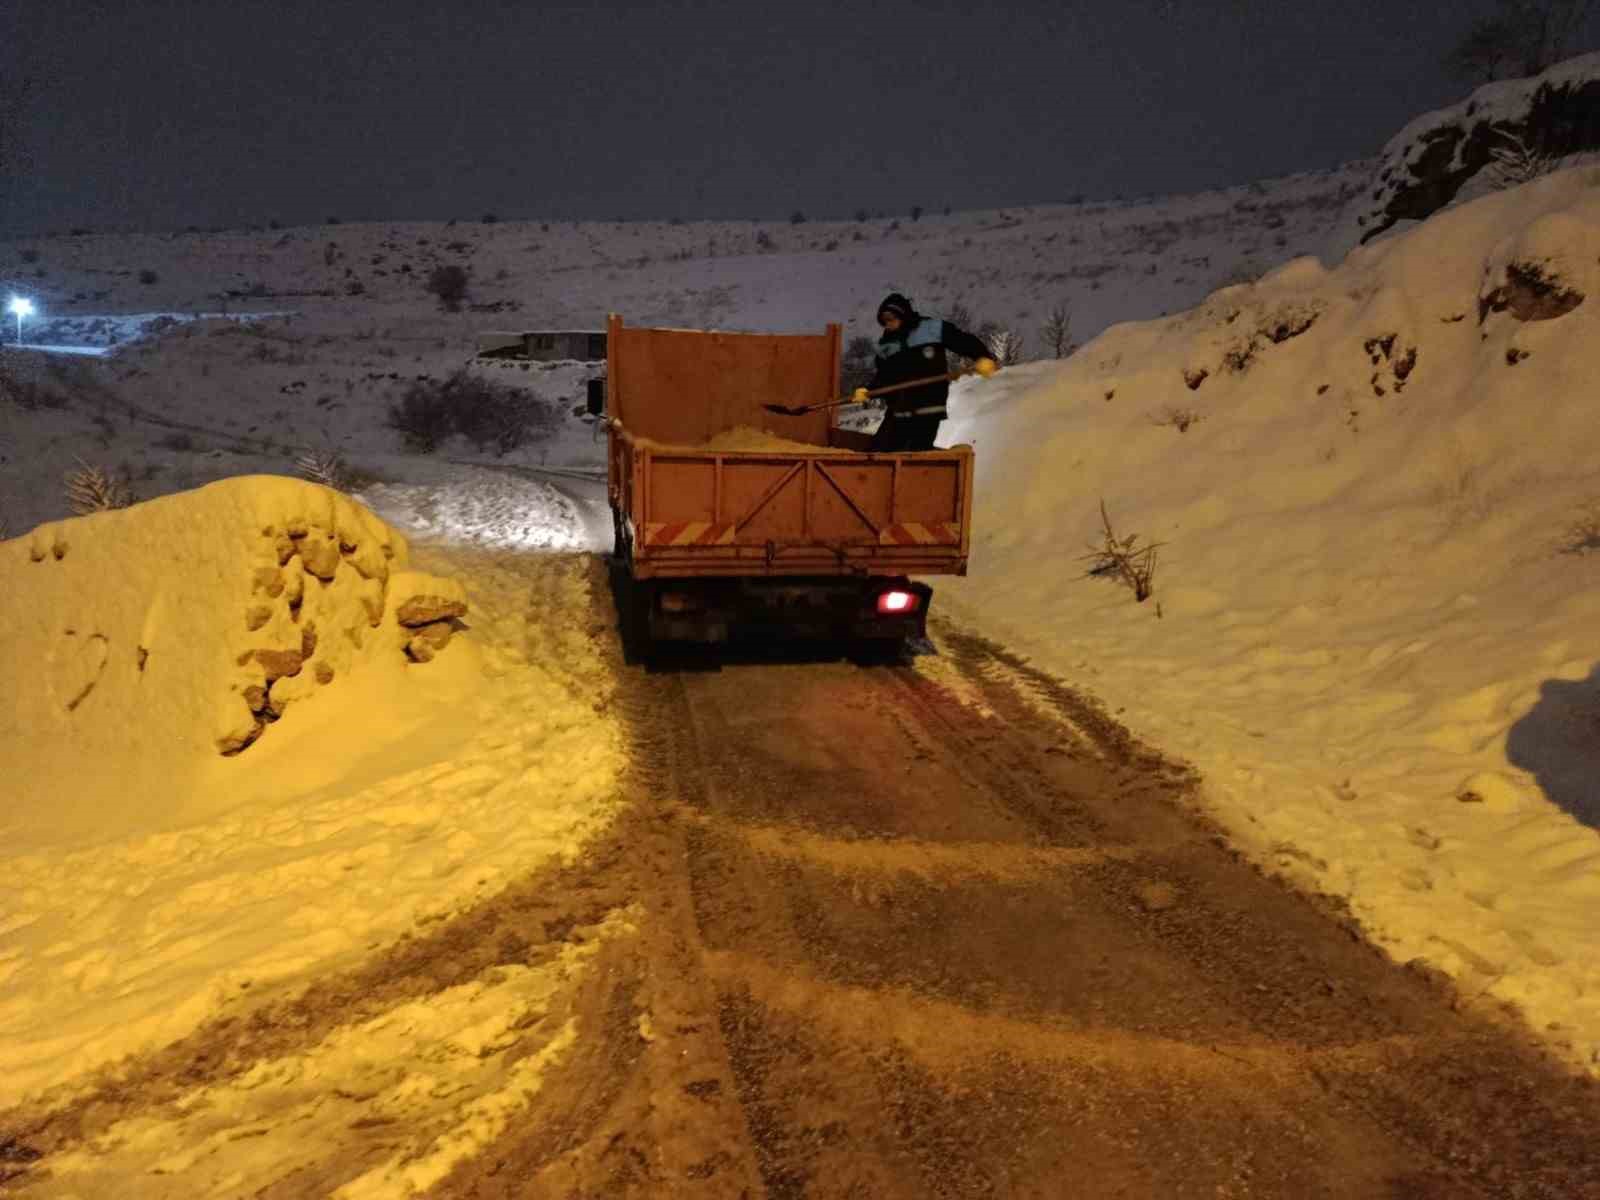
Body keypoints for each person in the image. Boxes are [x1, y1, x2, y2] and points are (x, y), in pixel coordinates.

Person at [857, 293, 998, 452]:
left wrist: (982, 356)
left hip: (927, 406)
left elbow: (961, 340)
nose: (887, 324)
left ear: (902, 315)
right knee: (879, 450)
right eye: (884, 321)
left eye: (890, 319)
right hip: (899, 410)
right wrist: (868, 391)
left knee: (915, 452)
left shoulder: (930, 328)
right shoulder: (886, 345)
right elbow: (884, 377)